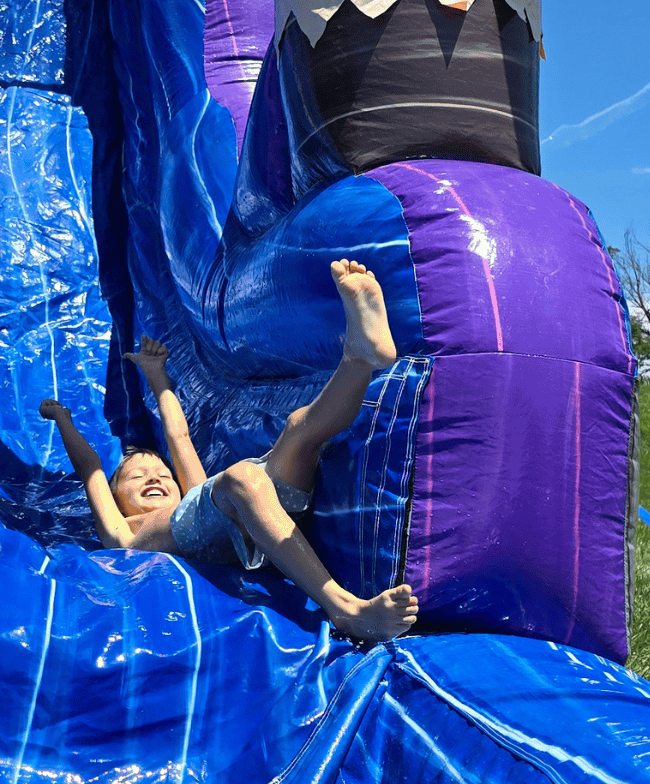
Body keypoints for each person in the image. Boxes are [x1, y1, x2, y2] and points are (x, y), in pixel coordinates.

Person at [40, 259, 419, 643]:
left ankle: (359, 361)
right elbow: (90, 467)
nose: (155, 477)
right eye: (137, 476)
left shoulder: (194, 493)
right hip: (243, 501)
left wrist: (156, 375)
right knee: (242, 477)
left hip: (261, 506)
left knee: (298, 429)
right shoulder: (121, 534)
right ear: (116, 497)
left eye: (162, 474)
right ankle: (346, 608)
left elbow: (178, 436)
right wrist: (63, 421)